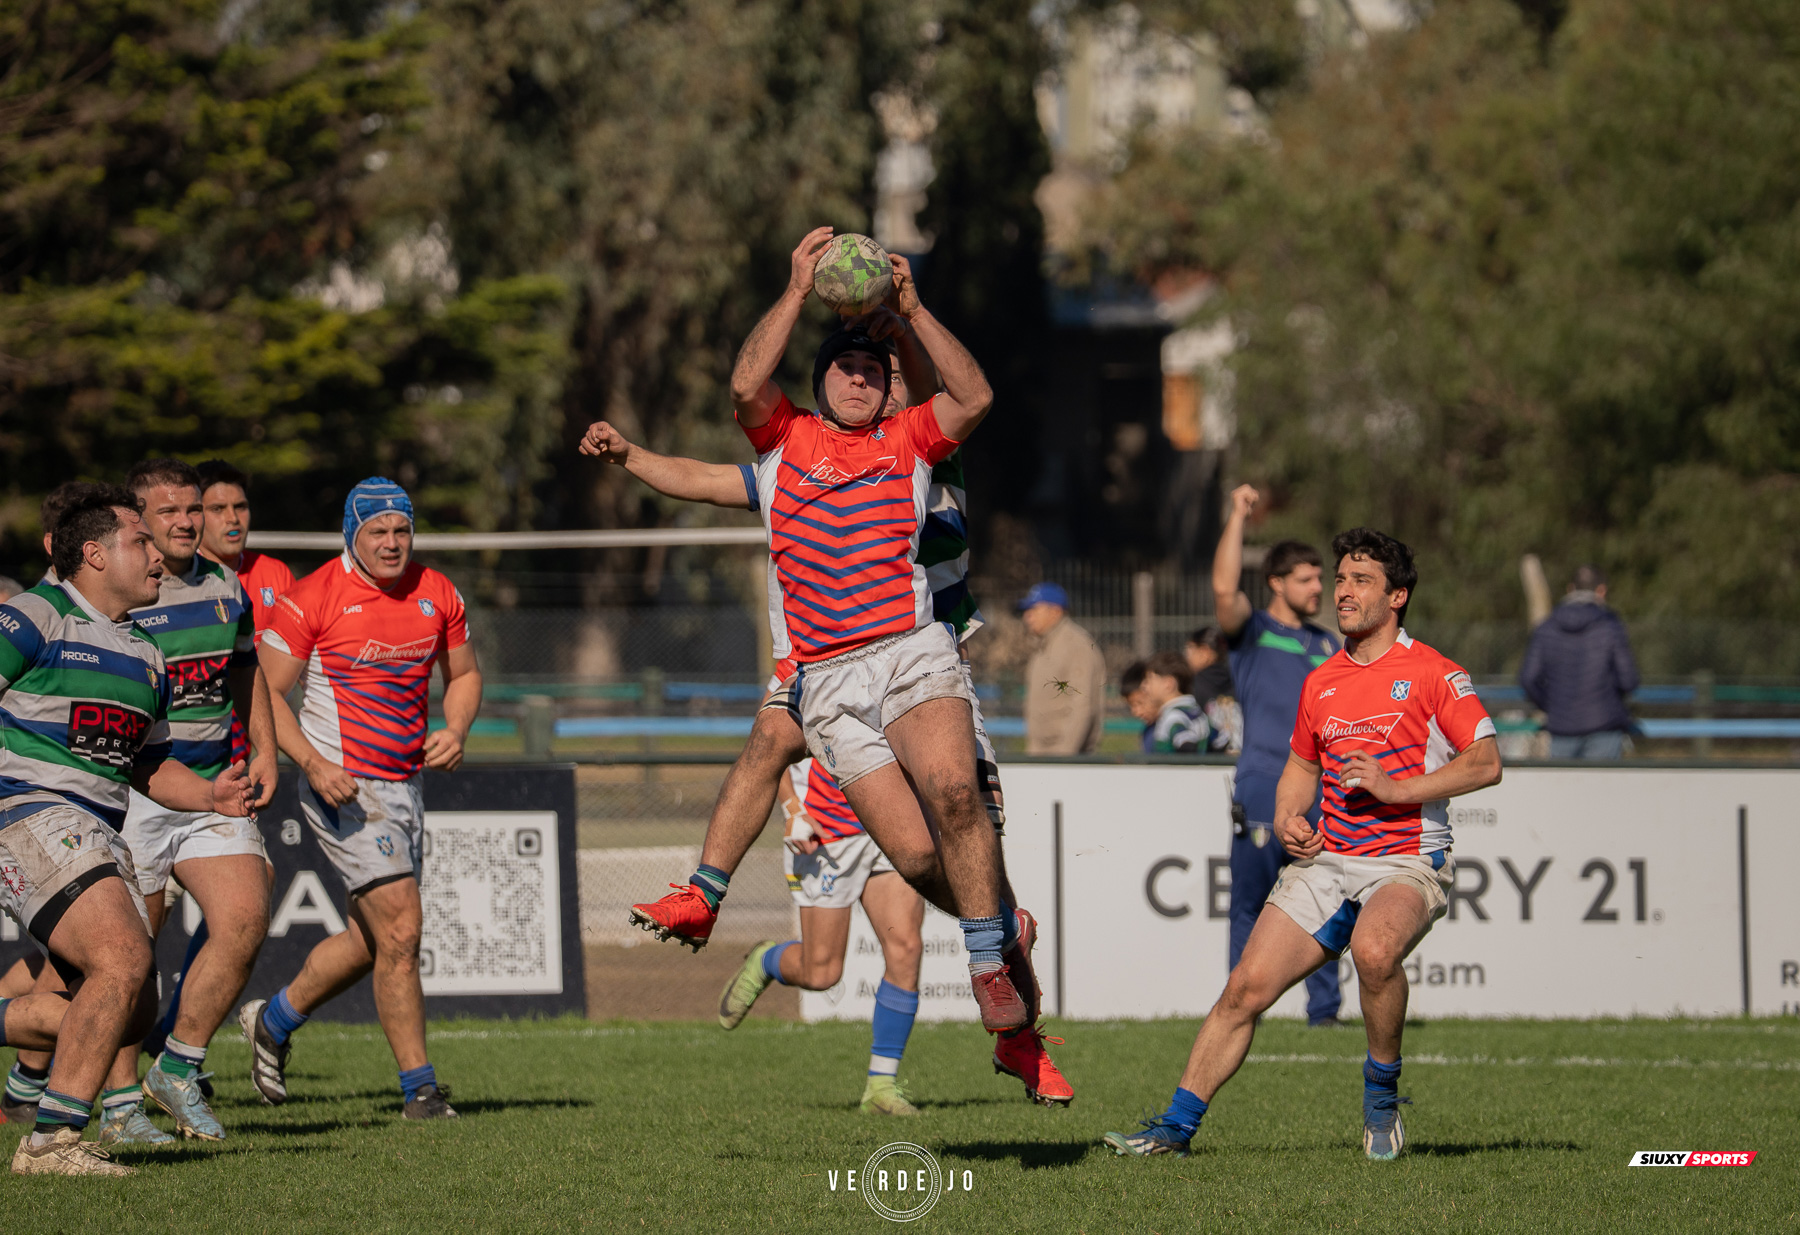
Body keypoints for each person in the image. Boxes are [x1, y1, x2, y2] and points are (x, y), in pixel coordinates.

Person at [591, 310, 1070, 1103]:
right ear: (817, 382)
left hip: (917, 653)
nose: (860, 377)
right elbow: (724, 431)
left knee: (957, 809)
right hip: (826, 677)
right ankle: (1001, 950)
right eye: (844, 366)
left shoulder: (917, 440)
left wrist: (910, 312)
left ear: (890, 390)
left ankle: (1006, 1000)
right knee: (920, 860)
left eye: (874, 368)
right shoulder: (785, 448)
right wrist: (632, 453)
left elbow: (970, 393)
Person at [1105, 527, 1502, 1162]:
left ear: (1397, 596)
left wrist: (1399, 790)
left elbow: (1485, 761)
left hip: (1406, 860)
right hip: (1329, 860)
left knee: (1373, 953)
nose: (1343, 592)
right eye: (1340, 579)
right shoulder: (1323, 680)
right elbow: (1300, 765)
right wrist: (1291, 812)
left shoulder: (1435, 672)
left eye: (1360, 581)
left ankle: (1380, 1102)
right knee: (1243, 991)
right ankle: (1173, 1129)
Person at [1, 486, 253, 1176]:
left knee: (128, 1011)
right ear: (93, 554)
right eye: (140, 541)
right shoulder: (34, 617)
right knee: (122, 955)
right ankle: (53, 1141)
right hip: (26, 811)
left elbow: (148, 764)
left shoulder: (145, 653)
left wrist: (210, 793)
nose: (157, 553)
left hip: (96, 830)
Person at [240, 478, 482, 1119]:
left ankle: (274, 1019)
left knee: (376, 940)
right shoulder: (312, 596)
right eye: (378, 532)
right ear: (352, 535)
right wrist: (313, 765)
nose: (393, 543)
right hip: (342, 787)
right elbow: (263, 696)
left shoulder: (438, 592)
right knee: (402, 927)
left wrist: (455, 728)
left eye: (402, 530)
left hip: (406, 786)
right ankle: (420, 1090)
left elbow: (465, 673)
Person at [77, 459, 278, 1145]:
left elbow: (245, 670)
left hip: (213, 785)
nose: (190, 521)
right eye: (170, 512)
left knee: (246, 915)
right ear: (137, 520)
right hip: (132, 792)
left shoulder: (226, 586)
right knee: (134, 958)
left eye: (195, 508)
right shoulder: (116, 595)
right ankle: (121, 1105)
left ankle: (181, 1064)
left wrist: (267, 749)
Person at [716, 757, 928, 1116]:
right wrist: (792, 809)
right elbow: (771, 745)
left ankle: (881, 1086)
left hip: (891, 820)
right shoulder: (802, 695)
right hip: (825, 833)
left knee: (906, 947)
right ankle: (766, 959)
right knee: (822, 973)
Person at [1211, 484, 1342, 1027]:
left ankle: (1326, 1012)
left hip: (1323, 789)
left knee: (1327, 901)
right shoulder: (1254, 633)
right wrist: (1238, 515)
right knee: (1251, 903)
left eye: (1320, 578)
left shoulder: (1328, 645)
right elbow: (1223, 587)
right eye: (1307, 579)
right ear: (1276, 583)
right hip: (1264, 783)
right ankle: (1242, 1008)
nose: (1319, 588)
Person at [1520, 565, 1639, 759]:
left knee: (1565, 787)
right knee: (1602, 787)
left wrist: (1553, 705)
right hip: (1605, 725)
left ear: (1570, 589)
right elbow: (1629, 679)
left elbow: (1528, 678)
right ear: (1601, 591)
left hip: (1561, 728)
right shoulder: (1611, 626)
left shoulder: (1546, 628)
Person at [1020, 583, 1107, 755]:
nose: (1027, 617)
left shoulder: (1077, 646)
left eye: (1034, 610)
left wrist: (1065, 757)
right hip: (1041, 752)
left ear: (1056, 611)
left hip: (1067, 754)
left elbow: (1082, 705)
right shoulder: (1042, 648)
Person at [1123, 651, 1221, 754]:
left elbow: (1187, 747)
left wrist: (1189, 766)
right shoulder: (1198, 712)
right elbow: (1221, 741)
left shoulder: (1174, 716)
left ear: (1168, 684)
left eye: (1149, 680)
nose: (1144, 686)